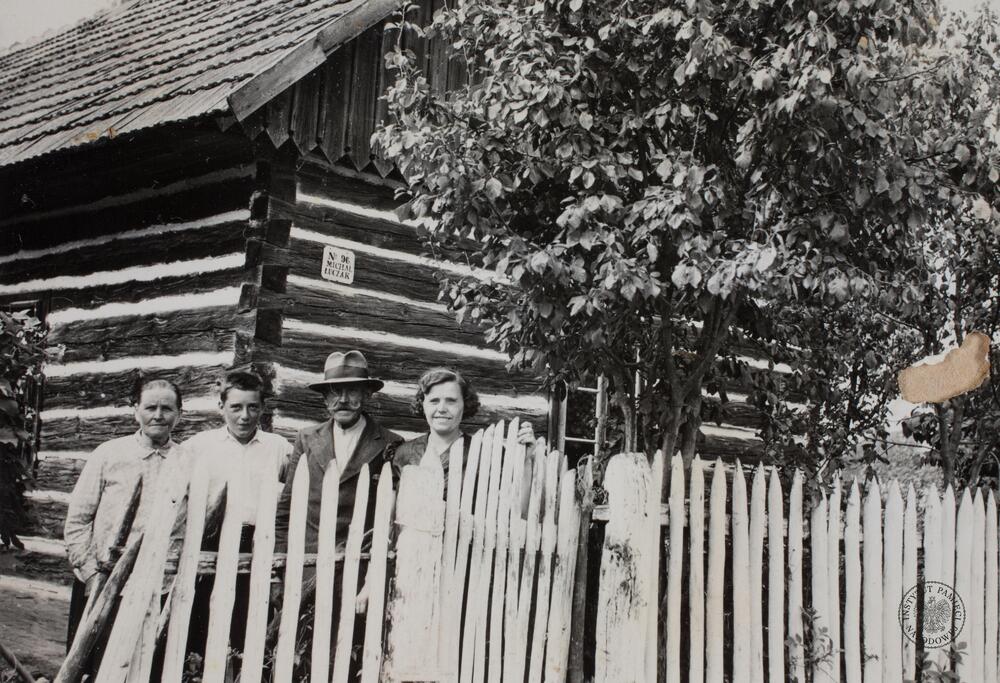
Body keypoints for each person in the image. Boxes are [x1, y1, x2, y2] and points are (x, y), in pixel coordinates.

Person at [63, 376, 184, 655]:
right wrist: (92, 574)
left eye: (167, 409)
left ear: (179, 414)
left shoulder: (187, 461)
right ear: (135, 410)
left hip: (159, 588)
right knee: (90, 666)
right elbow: (78, 522)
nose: (158, 415)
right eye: (150, 407)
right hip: (102, 583)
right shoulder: (109, 455)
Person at [180, 370, 292, 657]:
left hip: (258, 546)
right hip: (208, 543)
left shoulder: (278, 448)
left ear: (263, 408)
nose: (245, 415)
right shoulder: (197, 447)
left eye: (253, 407)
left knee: (248, 625)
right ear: (221, 407)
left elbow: (294, 496)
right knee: (201, 627)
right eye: (236, 407)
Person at [275, 349, 403, 554]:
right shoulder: (306, 438)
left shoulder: (390, 442)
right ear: (325, 398)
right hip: (308, 559)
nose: (342, 399)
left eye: (352, 390)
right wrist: (279, 561)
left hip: (361, 561)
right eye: (335, 390)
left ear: (366, 394)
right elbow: (287, 506)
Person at [393, 367, 536, 494]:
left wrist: (524, 461)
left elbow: (519, 511)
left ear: (465, 404)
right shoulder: (404, 454)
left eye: (451, 401)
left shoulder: (488, 454)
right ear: (422, 405)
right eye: (434, 401)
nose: (441, 409)